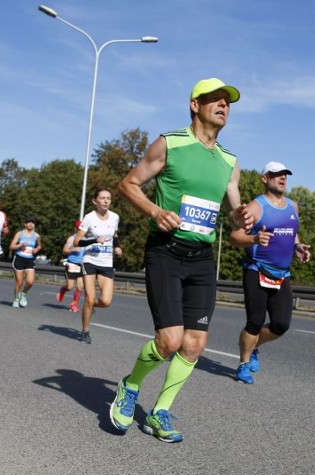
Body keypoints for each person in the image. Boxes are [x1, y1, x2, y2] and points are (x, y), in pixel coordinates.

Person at [113, 77, 252, 443]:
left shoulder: (229, 161)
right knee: (170, 340)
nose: (223, 106)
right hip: (166, 251)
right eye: (215, 100)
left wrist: (243, 218)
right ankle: (130, 386)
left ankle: (159, 411)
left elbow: (235, 212)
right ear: (195, 104)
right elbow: (128, 185)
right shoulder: (169, 144)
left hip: (202, 258)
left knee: (195, 344)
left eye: (228, 102)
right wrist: (154, 211)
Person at [230, 162, 311, 384]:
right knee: (254, 322)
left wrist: (298, 247)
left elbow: (292, 233)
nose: (282, 178)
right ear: (265, 178)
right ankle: (243, 364)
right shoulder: (256, 207)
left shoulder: (293, 206)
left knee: (280, 325)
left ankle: (254, 345)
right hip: (256, 269)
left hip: (282, 274)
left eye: (285, 174)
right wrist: (254, 239)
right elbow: (235, 237)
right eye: (276, 174)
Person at [73, 188, 122, 344]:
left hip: (106, 262)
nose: (106, 200)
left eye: (108, 198)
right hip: (90, 261)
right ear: (95, 201)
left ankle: (90, 307)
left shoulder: (115, 217)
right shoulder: (89, 218)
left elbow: (114, 234)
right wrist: (94, 240)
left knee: (106, 301)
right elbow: (76, 242)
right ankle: (85, 331)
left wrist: (117, 246)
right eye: (102, 198)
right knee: (90, 297)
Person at [9, 215, 41, 308]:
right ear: (25, 224)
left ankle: (23, 294)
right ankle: (16, 299)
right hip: (19, 259)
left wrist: (37, 249)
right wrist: (21, 245)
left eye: (33, 222)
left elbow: (39, 246)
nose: (31, 224)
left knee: (30, 282)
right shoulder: (19, 234)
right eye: (29, 222)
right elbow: (11, 246)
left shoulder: (37, 236)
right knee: (19, 282)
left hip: (30, 260)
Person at [57, 221, 86, 313]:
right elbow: (64, 250)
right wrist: (73, 249)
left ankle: (73, 304)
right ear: (75, 229)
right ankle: (62, 290)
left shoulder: (86, 239)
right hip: (71, 264)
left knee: (80, 286)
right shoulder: (71, 239)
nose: (80, 230)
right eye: (79, 229)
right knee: (69, 287)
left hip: (81, 265)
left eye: (82, 229)